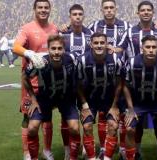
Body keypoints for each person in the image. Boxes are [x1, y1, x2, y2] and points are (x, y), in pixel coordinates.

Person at [22, 35, 81, 160]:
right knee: (32, 128)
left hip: (66, 98)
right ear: (48, 49)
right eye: (53, 48)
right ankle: (34, 158)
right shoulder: (39, 62)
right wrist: (33, 99)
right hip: (44, 99)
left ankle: (72, 157)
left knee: (75, 128)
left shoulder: (72, 59)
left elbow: (79, 77)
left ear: (64, 49)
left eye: (60, 49)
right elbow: (25, 78)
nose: (56, 52)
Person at [12, 0, 58, 160]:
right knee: (27, 117)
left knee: (47, 117)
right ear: (34, 9)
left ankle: (46, 150)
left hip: (48, 83)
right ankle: (27, 152)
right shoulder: (27, 28)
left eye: (46, 7)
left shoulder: (54, 28)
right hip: (30, 83)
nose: (43, 10)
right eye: (40, 7)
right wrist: (29, 53)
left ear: (50, 9)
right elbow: (15, 47)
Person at [87, 1, 131, 158]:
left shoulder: (126, 26)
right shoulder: (93, 26)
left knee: (123, 114)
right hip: (101, 76)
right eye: (106, 7)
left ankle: (124, 148)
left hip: (121, 75)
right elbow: (81, 33)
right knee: (103, 115)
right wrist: (66, 27)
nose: (109, 10)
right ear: (102, 10)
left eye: (111, 7)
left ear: (116, 9)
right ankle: (104, 148)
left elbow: (141, 34)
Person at [123, 35, 157, 160]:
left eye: (154, 47)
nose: (151, 50)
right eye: (147, 47)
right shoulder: (132, 62)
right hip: (138, 104)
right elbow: (125, 86)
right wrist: (130, 108)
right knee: (130, 129)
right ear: (142, 48)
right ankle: (133, 156)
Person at [76, 32, 123, 160]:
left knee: (113, 126)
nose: (99, 45)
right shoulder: (82, 60)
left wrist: (114, 106)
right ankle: (91, 158)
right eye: (96, 43)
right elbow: (78, 85)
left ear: (107, 44)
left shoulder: (115, 59)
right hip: (89, 99)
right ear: (91, 44)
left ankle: (107, 158)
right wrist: (84, 105)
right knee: (86, 126)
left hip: (109, 99)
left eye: (102, 43)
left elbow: (120, 84)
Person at [59, 4, 93, 159]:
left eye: (80, 14)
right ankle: (68, 149)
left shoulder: (91, 35)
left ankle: (86, 147)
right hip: (67, 84)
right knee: (66, 118)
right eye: (74, 14)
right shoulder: (63, 35)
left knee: (86, 116)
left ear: (84, 16)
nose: (77, 17)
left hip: (86, 84)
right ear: (70, 16)